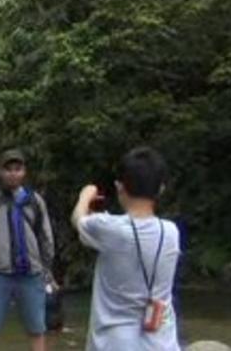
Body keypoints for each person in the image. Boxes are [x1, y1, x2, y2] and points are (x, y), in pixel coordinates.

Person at [71, 146, 180, 350]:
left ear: (119, 187)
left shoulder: (110, 229)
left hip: (113, 342)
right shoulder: (171, 232)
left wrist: (85, 196)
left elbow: (78, 220)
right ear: (161, 189)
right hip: (161, 341)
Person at [0, 148, 55, 351]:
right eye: (8, 169)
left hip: (31, 273)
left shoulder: (35, 201)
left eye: (17, 169)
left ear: (24, 172)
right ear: (0, 172)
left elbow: (45, 235)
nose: (13, 173)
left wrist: (47, 267)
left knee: (37, 328)